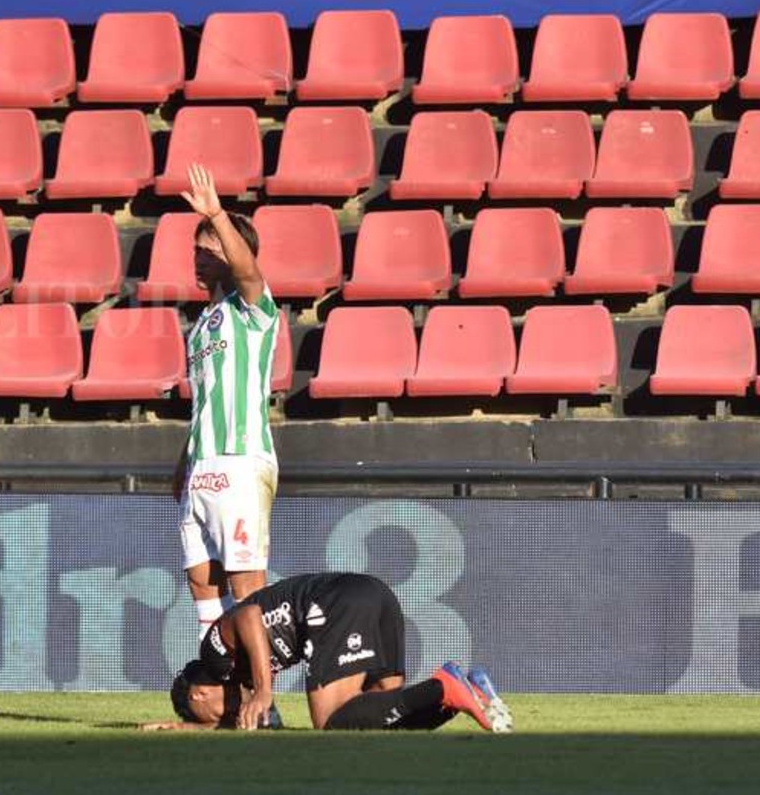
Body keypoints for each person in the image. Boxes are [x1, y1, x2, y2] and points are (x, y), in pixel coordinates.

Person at [149, 571, 514, 733]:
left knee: (329, 719)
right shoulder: (235, 685)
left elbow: (247, 613)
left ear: (199, 693)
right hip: (372, 593)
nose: (230, 714)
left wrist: (263, 690)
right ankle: (463, 692)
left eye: (213, 712)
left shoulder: (213, 657)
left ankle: (444, 686)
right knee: (383, 713)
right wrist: (192, 727)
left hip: (333, 604)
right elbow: (244, 724)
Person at [173, 163, 281, 641]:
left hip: (240, 460)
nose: (197, 257)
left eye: (208, 248)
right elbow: (204, 402)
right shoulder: (200, 325)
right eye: (195, 249)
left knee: (246, 584)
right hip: (204, 463)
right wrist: (185, 462)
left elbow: (249, 272)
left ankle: (264, 698)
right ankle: (217, 689)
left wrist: (217, 215)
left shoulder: (253, 309)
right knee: (200, 579)